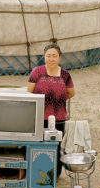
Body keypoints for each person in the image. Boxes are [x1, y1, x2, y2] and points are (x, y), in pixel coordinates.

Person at [27, 42, 75, 174]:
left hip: (58, 117)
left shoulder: (65, 75)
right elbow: (29, 92)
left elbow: (71, 92)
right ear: (44, 57)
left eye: (54, 56)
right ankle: (37, 171)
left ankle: (55, 173)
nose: (51, 59)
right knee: (38, 145)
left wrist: (57, 99)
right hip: (39, 117)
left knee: (56, 146)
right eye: (48, 55)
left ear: (60, 57)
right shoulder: (37, 72)